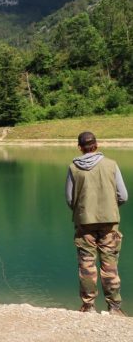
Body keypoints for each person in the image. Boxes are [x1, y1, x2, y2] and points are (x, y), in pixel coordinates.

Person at [65, 131, 128, 315]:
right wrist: (111, 207)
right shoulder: (111, 165)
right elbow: (123, 196)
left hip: (84, 224)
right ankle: (114, 308)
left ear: (79, 147)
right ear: (97, 145)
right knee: (110, 265)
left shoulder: (73, 168)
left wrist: (83, 211)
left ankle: (88, 306)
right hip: (109, 223)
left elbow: (69, 199)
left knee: (87, 265)